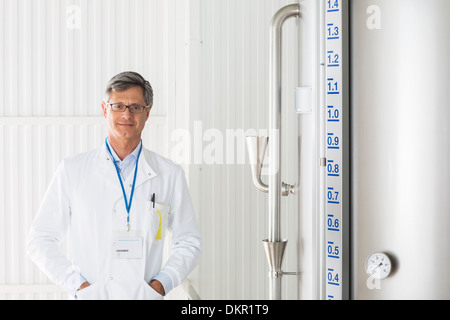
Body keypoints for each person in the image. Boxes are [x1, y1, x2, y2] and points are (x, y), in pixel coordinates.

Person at [27, 71, 202, 300]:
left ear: (147, 113)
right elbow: (40, 239)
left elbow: (189, 241)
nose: (126, 114)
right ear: (105, 110)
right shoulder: (72, 170)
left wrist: (160, 285)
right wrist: (79, 287)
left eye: (135, 107)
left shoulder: (169, 174)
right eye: (118, 106)